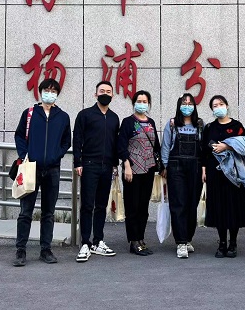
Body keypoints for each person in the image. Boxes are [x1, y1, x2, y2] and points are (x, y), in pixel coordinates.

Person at [13, 78, 71, 267]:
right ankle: (20, 250)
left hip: (52, 169)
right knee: (25, 212)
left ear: (57, 94)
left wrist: (56, 155)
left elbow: (66, 141)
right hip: (31, 168)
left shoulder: (63, 117)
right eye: (47, 90)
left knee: (48, 213)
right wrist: (24, 154)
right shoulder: (30, 113)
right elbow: (19, 135)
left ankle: (46, 250)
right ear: (40, 92)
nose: (50, 93)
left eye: (53, 91)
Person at [73, 81, 120, 263]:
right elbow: (77, 138)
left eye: (108, 91)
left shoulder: (114, 118)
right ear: (95, 94)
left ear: (112, 95)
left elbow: (115, 143)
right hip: (89, 165)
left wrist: (115, 165)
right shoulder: (85, 115)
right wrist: (78, 162)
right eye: (102, 91)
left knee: (101, 205)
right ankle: (85, 242)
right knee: (87, 205)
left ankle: (98, 241)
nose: (105, 94)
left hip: (107, 167)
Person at [202, 95, 245, 258]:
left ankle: (233, 243)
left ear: (227, 105)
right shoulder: (209, 127)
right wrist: (204, 169)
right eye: (215, 106)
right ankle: (222, 242)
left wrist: (227, 146)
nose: (218, 107)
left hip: (234, 174)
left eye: (221, 104)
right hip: (215, 172)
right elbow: (204, 151)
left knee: (233, 207)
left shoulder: (237, 126)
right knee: (219, 207)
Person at [117, 90, 161, 256]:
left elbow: (156, 145)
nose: (142, 104)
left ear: (148, 104)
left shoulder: (151, 122)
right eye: (139, 101)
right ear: (134, 103)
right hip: (133, 170)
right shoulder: (128, 122)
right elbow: (121, 145)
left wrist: (160, 166)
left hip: (148, 169)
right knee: (132, 206)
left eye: (145, 101)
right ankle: (133, 241)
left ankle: (141, 238)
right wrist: (126, 165)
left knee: (143, 207)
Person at [160, 93, 204, 259]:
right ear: (179, 106)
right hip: (176, 167)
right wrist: (164, 166)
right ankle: (180, 242)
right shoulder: (172, 124)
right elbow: (165, 146)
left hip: (195, 167)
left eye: (190, 103)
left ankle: (188, 238)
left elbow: (204, 148)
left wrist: (204, 169)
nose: (187, 106)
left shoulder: (199, 125)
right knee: (179, 203)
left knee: (192, 204)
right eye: (184, 103)